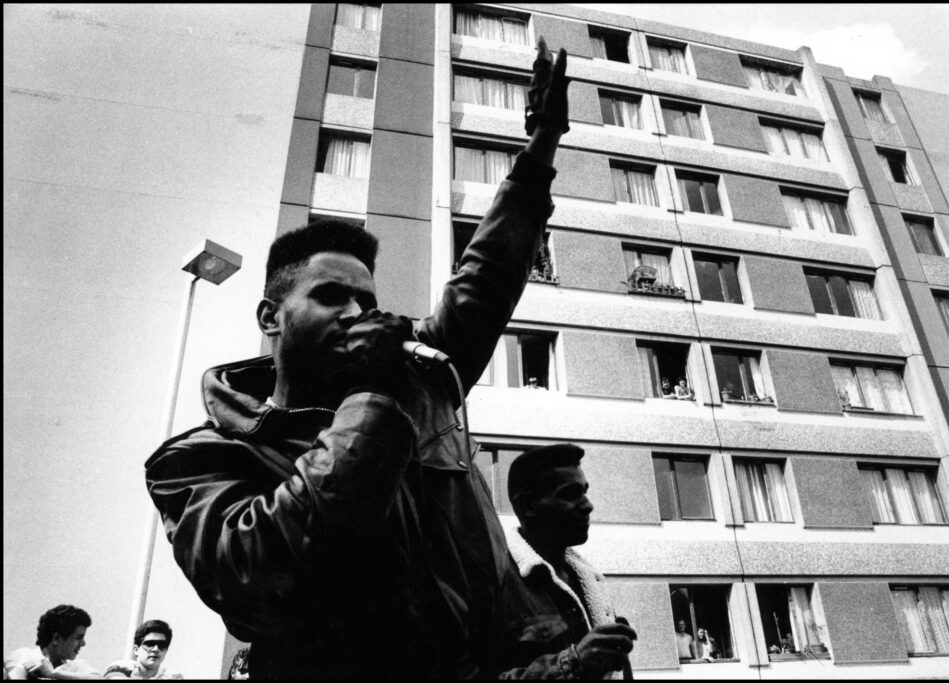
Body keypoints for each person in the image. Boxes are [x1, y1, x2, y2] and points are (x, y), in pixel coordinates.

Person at [144, 38, 572, 679]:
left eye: (366, 300)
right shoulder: (198, 460)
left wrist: (540, 147)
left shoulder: (418, 381)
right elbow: (259, 577)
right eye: (329, 296)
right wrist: (372, 398)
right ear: (271, 318)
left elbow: (484, 281)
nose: (355, 311)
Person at [500, 444, 637, 678]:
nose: (588, 505)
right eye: (569, 494)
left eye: (584, 491)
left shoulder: (589, 579)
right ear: (528, 506)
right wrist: (574, 662)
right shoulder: (497, 581)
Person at [5, 605, 100, 680]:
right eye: (78, 638)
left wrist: (53, 674)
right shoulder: (25, 655)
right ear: (56, 638)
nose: (83, 643)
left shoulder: (75, 665)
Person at [103, 620, 182, 680]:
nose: (156, 649)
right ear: (136, 649)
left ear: (166, 651)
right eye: (149, 644)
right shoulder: (121, 668)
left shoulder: (173, 676)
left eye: (161, 645)